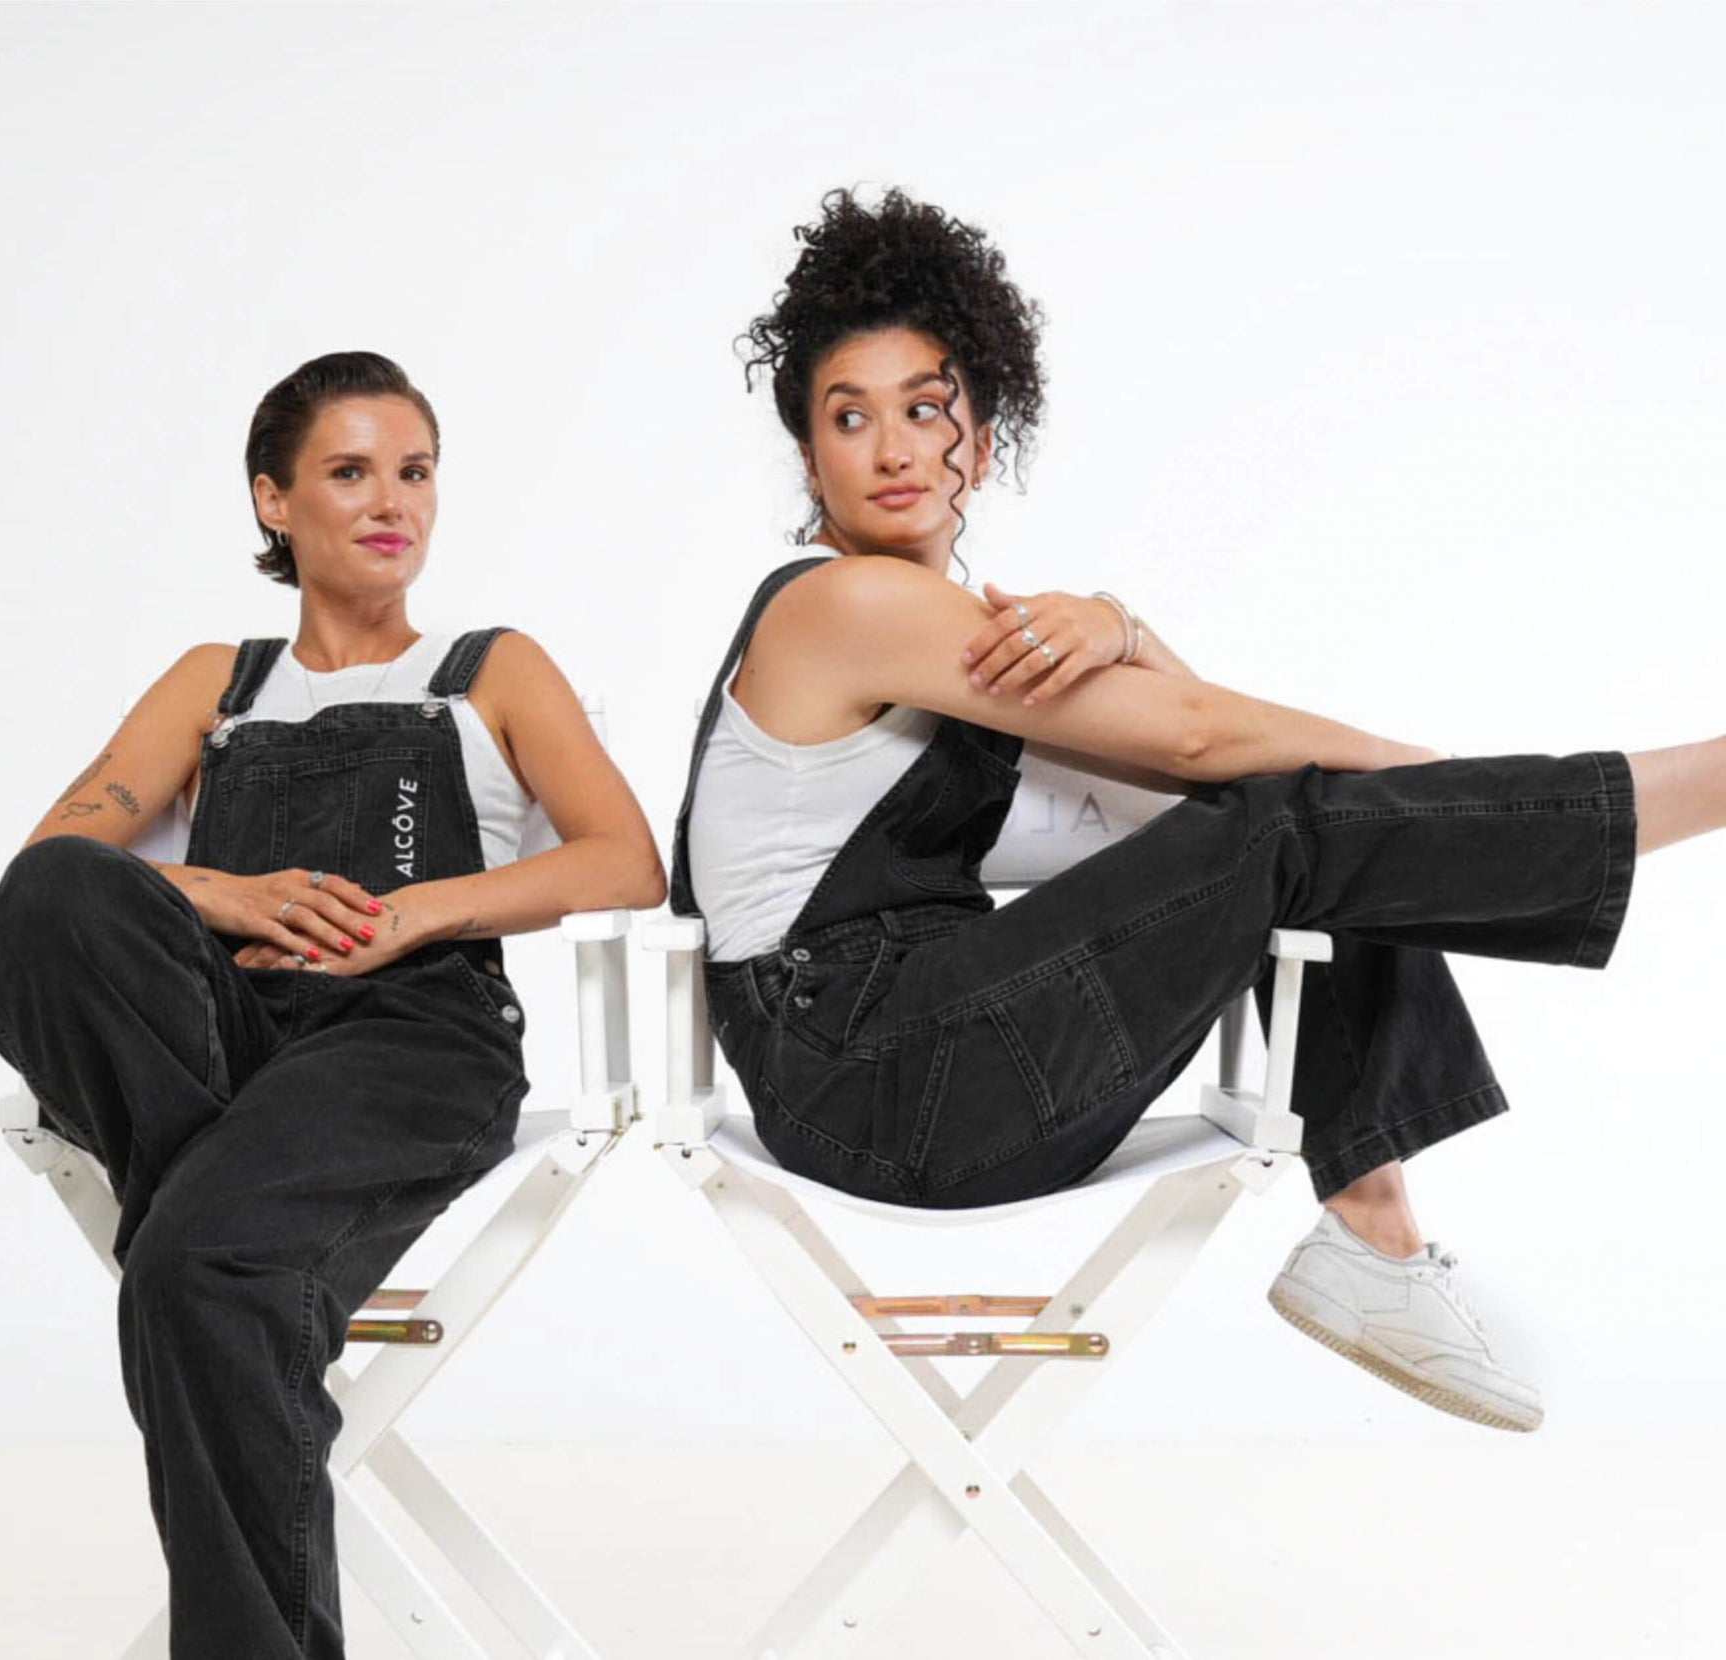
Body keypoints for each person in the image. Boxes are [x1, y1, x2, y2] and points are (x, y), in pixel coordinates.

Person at [671, 189, 1724, 1436]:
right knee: (1311, 824)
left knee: (1307, 835)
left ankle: (1374, 1240)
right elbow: (1193, 737)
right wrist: (1420, 773)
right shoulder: (842, 605)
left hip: (934, 1074)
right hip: (873, 1077)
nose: (893, 449)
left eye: (925, 410)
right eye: (849, 419)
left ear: (982, 442)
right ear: (810, 462)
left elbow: (1204, 781)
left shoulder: (970, 662)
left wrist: (1122, 627)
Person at [0, 351, 664, 1660]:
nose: (392, 501)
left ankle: (214, 1242)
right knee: (56, 898)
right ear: (272, 501)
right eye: (349, 472)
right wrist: (223, 894)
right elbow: (53, 870)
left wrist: (419, 910)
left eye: (415, 470)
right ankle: (230, 1237)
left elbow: (624, 860)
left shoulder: (490, 668)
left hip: (411, 1041)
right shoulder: (214, 681)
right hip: (232, 1046)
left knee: (189, 1270)